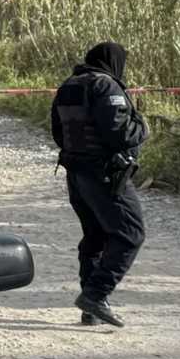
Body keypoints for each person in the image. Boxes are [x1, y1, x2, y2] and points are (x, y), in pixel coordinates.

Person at [51, 42, 148, 328]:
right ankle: (96, 294)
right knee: (130, 233)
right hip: (104, 175)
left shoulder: (69, 85)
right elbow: (120, 133)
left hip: (76, 174)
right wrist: (142, 125)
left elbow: (58, 132)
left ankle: (91, 307)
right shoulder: (106, 86)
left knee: (94, 237)